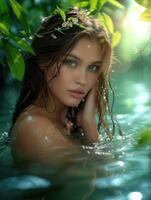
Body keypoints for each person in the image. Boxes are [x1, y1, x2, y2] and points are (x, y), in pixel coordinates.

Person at [10, 7, 114, 166]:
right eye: (71, 62)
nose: (83, 80)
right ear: (44, 61)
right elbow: (92, 183)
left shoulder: (66, 121)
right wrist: (90, 129)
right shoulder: (35, 127)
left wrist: (87, 122)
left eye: (93, 67)